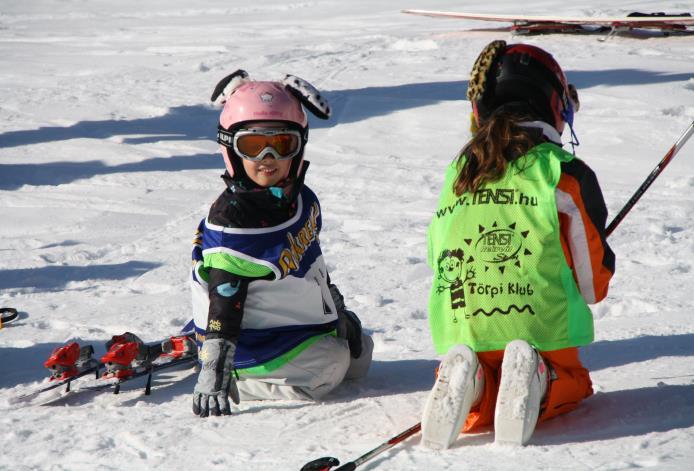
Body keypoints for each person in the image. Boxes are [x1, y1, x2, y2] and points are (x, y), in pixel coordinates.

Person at [421, 41, 615, 448]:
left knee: (490, 378)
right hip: (542, 327)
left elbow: (438, 252)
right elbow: (592, 284)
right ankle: (541, 379)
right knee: (575, 380)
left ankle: (470, 384)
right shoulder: (562, 171)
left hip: (463, 324)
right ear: (554, 105)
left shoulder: (458, 171)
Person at [189, 70, 373, 417]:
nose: (268, 157)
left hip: (288, 324)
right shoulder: (234, 223)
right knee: (330, 367)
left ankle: (308, 349)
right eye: (253, 146)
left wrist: (337, 313)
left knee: (360, 355)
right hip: (251, 339)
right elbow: (225, 300)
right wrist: (215, 369)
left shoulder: (300, 200)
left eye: (282, 144)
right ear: (230, 148)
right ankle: (242, 379)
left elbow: (311, 264)